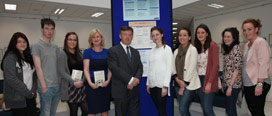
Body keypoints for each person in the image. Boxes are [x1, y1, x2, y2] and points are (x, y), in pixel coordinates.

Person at [107, 26, 143, 116]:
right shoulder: (113, 51)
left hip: (134, 92)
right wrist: (131, 80)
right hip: (120, 92)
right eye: (125, 34)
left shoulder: (135, 52)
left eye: (130, 35)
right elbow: (115, 69)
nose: (127, 37)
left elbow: (140, 67)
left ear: (132, 37)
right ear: (120, 36)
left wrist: (136, 80)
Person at [1, 32, 37, 116]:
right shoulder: (10, 57)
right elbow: (11, 79)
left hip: (30, 96)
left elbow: (34, 75)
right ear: (14, 43)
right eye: (19, 42)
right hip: (18, 98)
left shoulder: (28, 57)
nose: (22, 44)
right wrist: (27, 92)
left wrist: (33, 91)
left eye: (24, 42)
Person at [31, 18, 61, 116]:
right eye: (47, 28)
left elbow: (57, 65)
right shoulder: (36, 45)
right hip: (46, 87)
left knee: (52, 113)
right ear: (42, 29)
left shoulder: (55, 46)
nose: (49, 31)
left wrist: (60, 82)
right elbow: (38, 67)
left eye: (52, 29)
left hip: (56, 86)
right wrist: (44, 86)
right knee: (45, 113)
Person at [242, 18, 271, 116]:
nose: (246, 32)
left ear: (256, 29)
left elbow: (264, 63)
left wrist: (260, 84)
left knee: (257, 111)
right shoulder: (247, 45)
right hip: (248, 83)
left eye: (249, 29)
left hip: (258, 83)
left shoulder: (260, 42)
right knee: (253, 110)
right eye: (244, 30)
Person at [58, 32, 88, 116]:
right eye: (70, 39)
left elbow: (85, 69)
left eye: (74, 40)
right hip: (70, 86)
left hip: (81, 86)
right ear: (66, 41)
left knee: (86, 110)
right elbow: (62, 71)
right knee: (73, 111)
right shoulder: (62, 53)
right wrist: (73, 82)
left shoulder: (80, 53)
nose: (72, 42)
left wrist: (82, 81)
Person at [83, 29, 111, 116]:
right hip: (91, 84)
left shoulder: (107, 52)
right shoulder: (87, 52)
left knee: (104, 110)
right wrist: (90, 83)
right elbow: (86, 69)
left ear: (101, 38)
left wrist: (108, 81)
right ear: (91, 40)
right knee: (92, 111)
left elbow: (110, 69)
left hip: (105, 84)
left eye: (98, 36)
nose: (96, 39)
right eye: (93, 37)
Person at [173, 28, 201, 116]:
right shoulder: (176, 51)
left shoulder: (193, 50)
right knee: (183, 109)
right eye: (180, 35)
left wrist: (183, 84)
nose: (182, 37)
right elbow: (173, 67)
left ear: (189, 37)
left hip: (189, 84)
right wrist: (177, 79)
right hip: (177, 83)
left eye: (185, 35)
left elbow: (192, 68)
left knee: (182, 108)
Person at [146, 26, 173, 116]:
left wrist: (165, 86)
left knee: (162, 111)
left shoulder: (167, 49)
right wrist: (148, 83)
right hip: (153, 85)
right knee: (159, 109)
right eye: (153, 35)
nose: (155, 37)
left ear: (162, 35)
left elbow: (169, 69)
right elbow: (150, 68)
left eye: (157, 34)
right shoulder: (152, 51)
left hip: (162, 86)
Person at [194, 24, 219, 116]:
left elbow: (216, 65)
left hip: (208, 79)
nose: (200, 35)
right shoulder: (197, 47)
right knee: (204, 107)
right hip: (199, 79)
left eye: (202, 32)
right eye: (198, 33)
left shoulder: (212, 45)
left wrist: (209, 82)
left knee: (208, 108)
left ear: (207, 34)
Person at [221, 27, 243, 116]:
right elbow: (226, 69)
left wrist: (230, 86)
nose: (225, 39)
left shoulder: (236, 48)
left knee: (230, 109)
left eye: (228, 37)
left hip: (234, 85)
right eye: (224, 37)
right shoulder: (228, 49)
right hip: (227, 84)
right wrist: (223, 84)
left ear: (234, 38)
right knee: (229, 108)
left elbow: (237, 69)